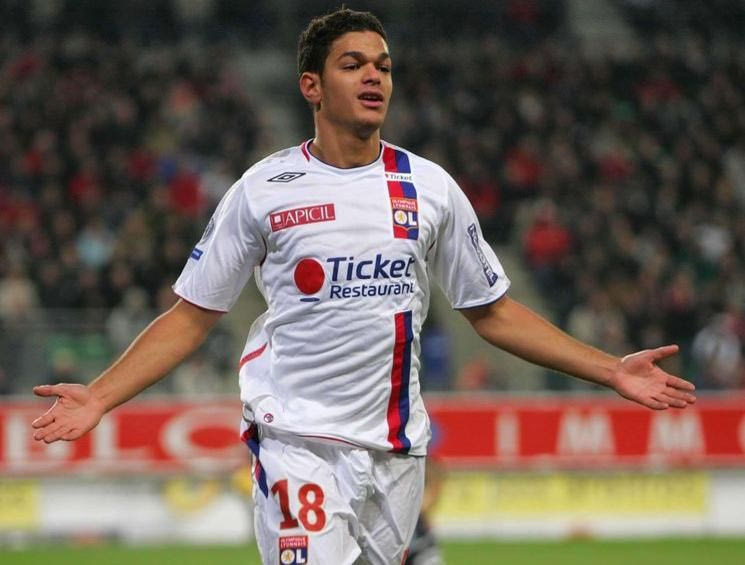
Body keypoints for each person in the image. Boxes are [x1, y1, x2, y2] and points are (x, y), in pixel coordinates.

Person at [31, 9, 696, 564]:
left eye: (383, 66)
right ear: (311, 86)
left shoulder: (430, 188)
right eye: (353, 65)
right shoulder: (263, 190)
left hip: (396, 452)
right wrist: (101, 395)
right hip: (297, 441)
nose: (374, 76)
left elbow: (491, 313)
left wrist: (610, 369)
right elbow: (191, 315)